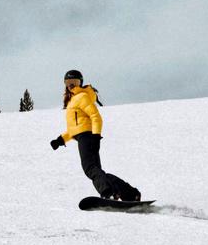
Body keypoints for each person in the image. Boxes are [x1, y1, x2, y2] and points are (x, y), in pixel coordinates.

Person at [50, 70, 140, 202]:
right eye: (68, 83)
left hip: (88, 137)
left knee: (90, 169)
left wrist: (96, 136)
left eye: (74, 82)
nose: (71, 85)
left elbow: (96, 117)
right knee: (97, 171)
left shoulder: (81, 97)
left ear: (81, 83)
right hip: (84, 136)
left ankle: (107, 192)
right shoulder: (73, 100)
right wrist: (60, 140)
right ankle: (131, 194)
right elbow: (76, 127)